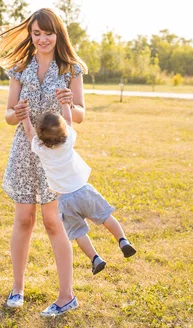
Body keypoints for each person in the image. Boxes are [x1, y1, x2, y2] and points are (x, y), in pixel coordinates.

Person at [0, 8, 86, 317]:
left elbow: (81, 115)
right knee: (23, 220)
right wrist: (15, 114)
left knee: (52, 221)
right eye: (36, 33)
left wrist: (72, 104)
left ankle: (66, 295)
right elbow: (7, 115)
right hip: (24, 152)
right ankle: (17, 289)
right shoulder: (20, 68)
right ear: (31, 36)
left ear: (58, 33)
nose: (42, 39)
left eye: (48, 33)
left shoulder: (70, 68)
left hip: (55, 155)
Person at [19, 98, 137, 277]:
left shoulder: (41, 149)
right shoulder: (67, 143)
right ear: (63, 132)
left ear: (41, 138)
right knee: (106, 217)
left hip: (65, 200)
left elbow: (28, 131)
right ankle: (122, 240)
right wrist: (66, 104)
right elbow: (68, 120)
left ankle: (95, 258)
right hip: (84, 191)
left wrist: (25, 116)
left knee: (78, 233)